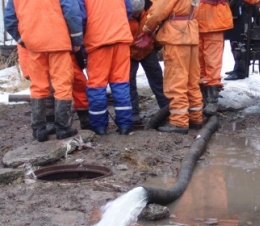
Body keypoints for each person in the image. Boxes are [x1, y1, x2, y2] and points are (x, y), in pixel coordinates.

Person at [4, 0, 82, 142]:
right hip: (59, 43)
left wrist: (24, 40)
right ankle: (62, 128)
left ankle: (39, 130)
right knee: (62, 85)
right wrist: (77, 39)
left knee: (38, 87)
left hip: (34, 46)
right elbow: (71, 12)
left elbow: (9, 19)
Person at [135, 0, 203, 134]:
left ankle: (179, 122)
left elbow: (157, 12)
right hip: (191, 33)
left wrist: (147, 29)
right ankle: (195, 117)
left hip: (176, 35)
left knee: (176, 81)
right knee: (192, 81)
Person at [78, 0, 134, 135]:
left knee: (97, 86)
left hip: (98, 42)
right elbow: (129, 10)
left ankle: (99, 126)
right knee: (121, 84)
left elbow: (80, 17)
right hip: (121, 39)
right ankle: (125, 125)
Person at [129, 0, 169, 125]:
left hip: (148, 50)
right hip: (129, 53)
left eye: (137, 13)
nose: (135, 16)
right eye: (133, 14)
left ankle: (166, 110)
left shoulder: (152, 9)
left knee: (157, 80)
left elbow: (159, 26)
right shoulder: (122, 14)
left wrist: (156, 44)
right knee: (129, 84)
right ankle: (133, 114)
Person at [195, 0, 233, 116]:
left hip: (214, 22)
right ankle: (200, 99)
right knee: (197, 64)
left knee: (212, 64)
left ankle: (211, 100)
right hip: (195, 22)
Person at [224, 0, 247, 81]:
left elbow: (236, 14)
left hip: (238, 21)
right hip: (235, 20)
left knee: (238, 45)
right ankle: (237, 69)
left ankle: (240, 71)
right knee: (234, 45)